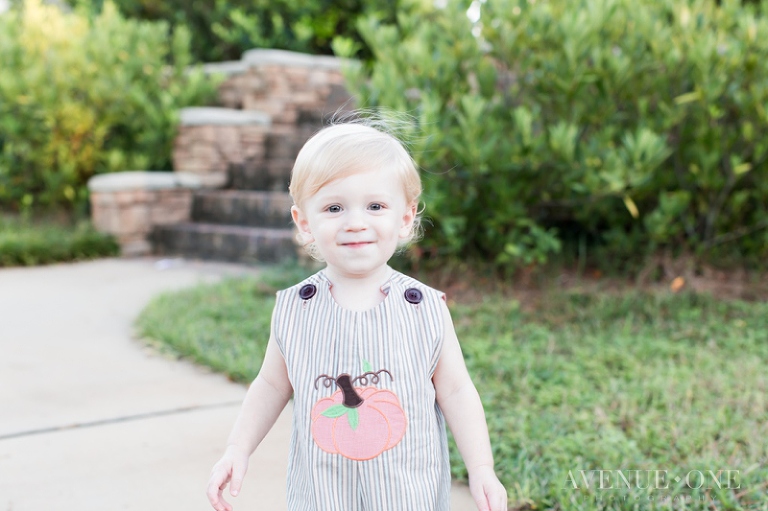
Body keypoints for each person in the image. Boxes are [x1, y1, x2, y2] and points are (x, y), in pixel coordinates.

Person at [206, 120, 507, 511]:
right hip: (323, 494)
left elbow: (455, 390)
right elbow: (271, 385)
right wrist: (237, 449)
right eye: (334, 207)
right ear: (304, 222)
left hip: (407, 493)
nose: (355, 222)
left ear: (404, 217)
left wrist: (481, 467)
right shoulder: (297, 309)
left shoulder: (424, 308)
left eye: (375, 206)